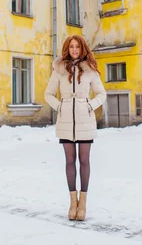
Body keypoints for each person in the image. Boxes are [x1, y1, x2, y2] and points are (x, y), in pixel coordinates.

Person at [44, 35, 107, 221]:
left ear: (82, 48)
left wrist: (89, 105)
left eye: (77, 47)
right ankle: (73, 201)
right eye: (71, 46)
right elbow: (48, 94)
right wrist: (60, 106)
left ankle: (83, 202)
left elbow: (102, 94)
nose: (74, 50)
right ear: (67, 48)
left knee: (84, 160)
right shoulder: (59, 70)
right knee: (69, 160)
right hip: (65, 122)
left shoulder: (90, 70)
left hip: (85, 120)